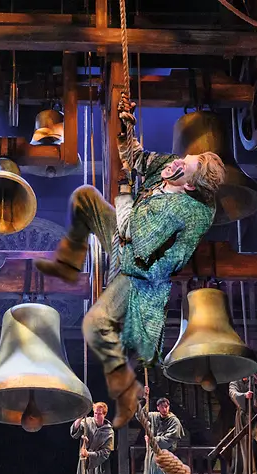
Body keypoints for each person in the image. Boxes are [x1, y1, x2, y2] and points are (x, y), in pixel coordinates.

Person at [35, 92, 226, 428]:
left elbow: (131, 231)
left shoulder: (184, 211)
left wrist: (124, 194)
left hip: (141, 271)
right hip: (127, 241)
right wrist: (125, 131)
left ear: (190, 187)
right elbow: (137, 158)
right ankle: (67, 262)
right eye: (187, 156)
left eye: (187, 165)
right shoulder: (174, 169)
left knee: (95, 324)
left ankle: (126, 392)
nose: (179, 161)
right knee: (85, 198)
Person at [139, 390, 184, 474]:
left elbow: (170, 439)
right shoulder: (154, 416)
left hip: (166, 456)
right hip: (153, 457)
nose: (164, 409)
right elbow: (140, 415)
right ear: (158, 407)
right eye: (162, 407)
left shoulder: (174, 421)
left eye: (166, 406)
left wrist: (153, 439)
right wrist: (145, 398)